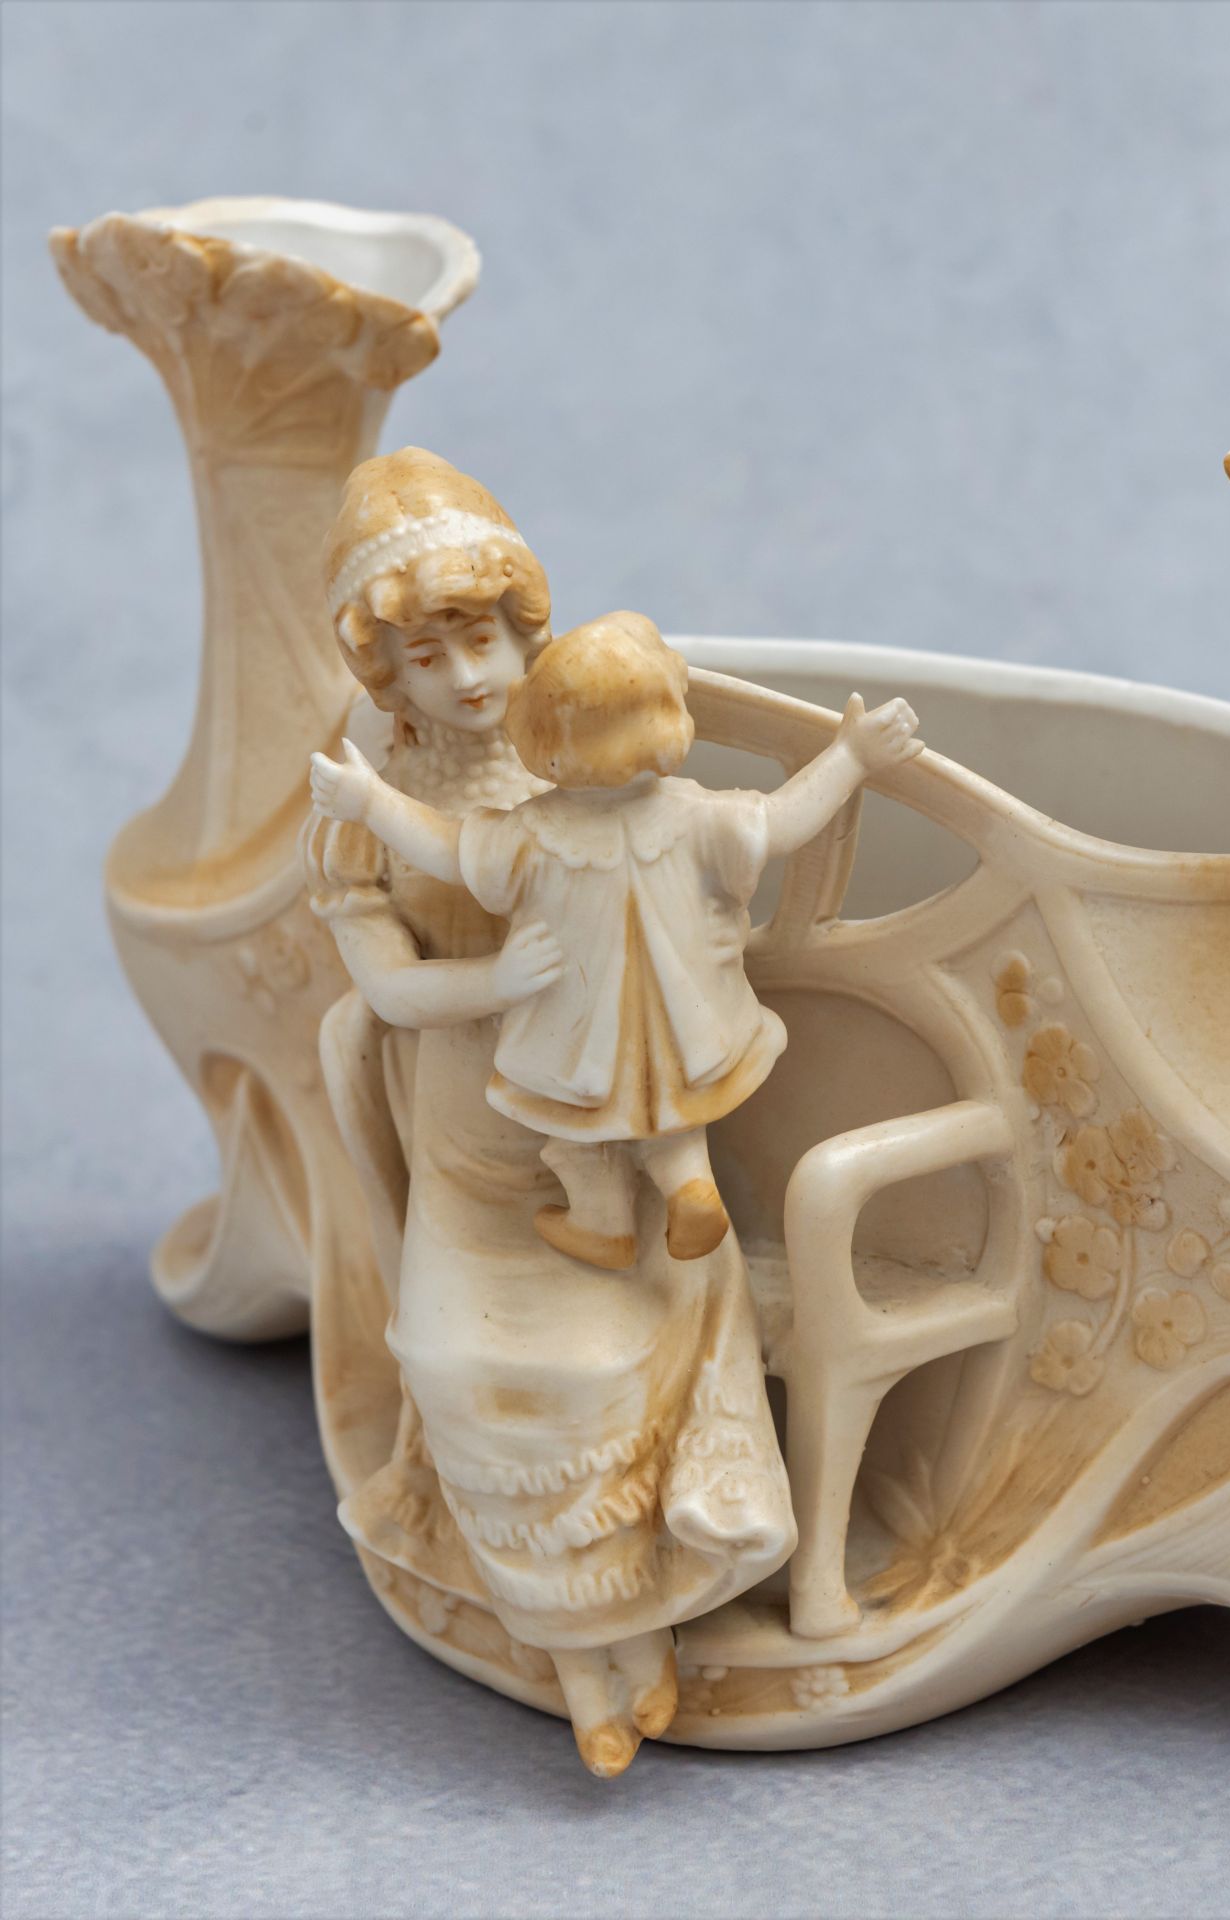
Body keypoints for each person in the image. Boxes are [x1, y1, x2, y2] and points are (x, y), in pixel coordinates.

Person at [305, 448, 799, 1778]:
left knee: (618, 1355)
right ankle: (587, 1665)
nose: (467, 677)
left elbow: (701, 857)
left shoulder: (579, 753)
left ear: (527, 631)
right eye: (426, 658)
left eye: (484, 641)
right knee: (473, 1366)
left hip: (604, 1112)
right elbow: (382, 988)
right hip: (472, 1137)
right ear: (387, 675)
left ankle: (639, 1630)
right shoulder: (366, 804)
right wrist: (491, 981)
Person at [311, 611, 922, 1270]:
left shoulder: (532, 836)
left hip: (577, 1033)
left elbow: (445, 849)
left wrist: (370, 802)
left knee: (576, 1136)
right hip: (687, 1027)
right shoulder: (697, 815)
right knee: (675, 1116)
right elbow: (785, 820)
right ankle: (690, 1186)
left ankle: (602, 1224)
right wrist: (852, 756)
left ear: (539, 740)